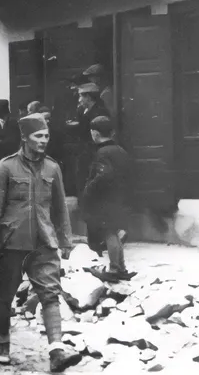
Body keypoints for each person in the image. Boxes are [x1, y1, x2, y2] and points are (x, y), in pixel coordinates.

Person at [0, 114, 81, 371]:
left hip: (43, 242)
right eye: (38, 136)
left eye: (46, 136)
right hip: (11, 243)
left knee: (50, 294)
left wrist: (66, 240)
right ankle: (3, 342)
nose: (44, 140)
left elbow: (60, 208)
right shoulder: (6, 167)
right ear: (25, 137)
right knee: (3, 296)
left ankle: (56, 352)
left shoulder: (52, 168)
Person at [80, 116, 135, 282]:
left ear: (95, 134)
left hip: (106, 201)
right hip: (119, 199)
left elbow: (103, 176)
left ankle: (113, 269)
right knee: (115, 233)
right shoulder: (120, 150)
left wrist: (88, 190)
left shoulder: (102, 153)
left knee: (109, 233)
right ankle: (122, 267)